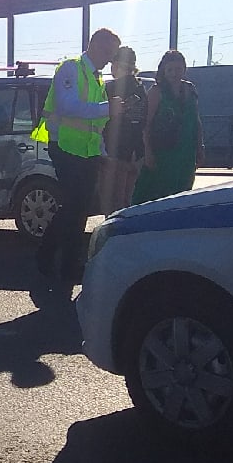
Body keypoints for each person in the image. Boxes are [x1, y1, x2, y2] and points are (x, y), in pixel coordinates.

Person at [30, 27, 116, 303]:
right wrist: (108, 108)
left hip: (86, 150)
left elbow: (96, 126)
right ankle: (63, 262)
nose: (108, 60)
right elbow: (69, 107)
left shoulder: (96, 77)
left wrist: (101, 150)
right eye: (106, 52)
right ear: (93, 45)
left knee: (78, 207)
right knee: (76, 205)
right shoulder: (71, 69)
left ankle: (57, 258)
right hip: (65, 146)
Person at [130, 49, 203, 204]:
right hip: (162, 152)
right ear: (163, 70)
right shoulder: (157, 91)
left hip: (186, 152)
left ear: (184, 68)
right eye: (170, 69)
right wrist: (148, 152)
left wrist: (199, 147)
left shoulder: (190, 89)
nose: (174, 73)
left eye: (178, 69)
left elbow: (196, 120)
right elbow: (146, 125)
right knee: (154, 192)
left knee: (182, 192)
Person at [99, 44, 147, 215]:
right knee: (127, 202)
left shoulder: (111, 88)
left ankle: (113, 239)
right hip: (136, 153)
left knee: (112, 204)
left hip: (114, 152)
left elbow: (101, 118)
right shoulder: (140, 88)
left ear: (117, 64)